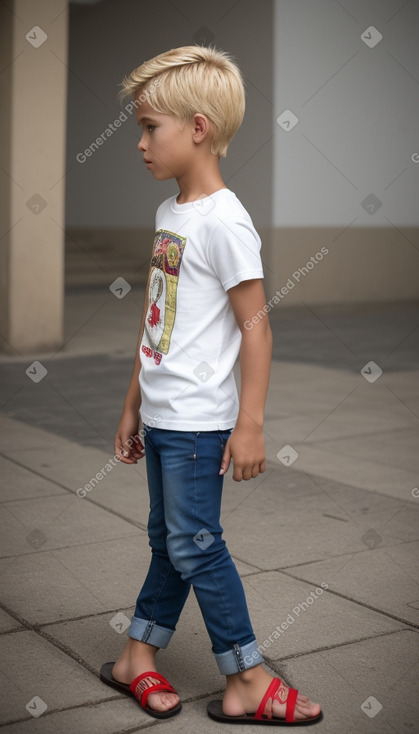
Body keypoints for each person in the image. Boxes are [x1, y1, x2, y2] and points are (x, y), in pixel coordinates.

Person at [100, 45, 322, 725]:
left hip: (201, 424)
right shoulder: (172, 216)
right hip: (164, 414)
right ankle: (136, 656)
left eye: (150, 128)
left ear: (196, 128)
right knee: (171, 539)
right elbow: (156, 320)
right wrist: (133, 404)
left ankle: (246, 676)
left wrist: (249, 422)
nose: (139, 143)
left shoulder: (225, 221)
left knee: (195, 543)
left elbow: (254, 328)